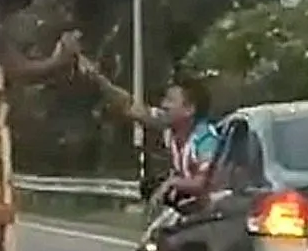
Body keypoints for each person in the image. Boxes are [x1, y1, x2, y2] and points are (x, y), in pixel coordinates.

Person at [80, 58, 219, 205]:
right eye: (165, 99)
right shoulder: (171, 129)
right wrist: (99, 80)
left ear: (189, 109)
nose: (163, 105)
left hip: (219, 211)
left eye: (170, 100)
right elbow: (129, 106)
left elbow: (201, 184)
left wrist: (171, 183)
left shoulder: (206, 139)